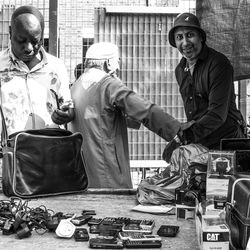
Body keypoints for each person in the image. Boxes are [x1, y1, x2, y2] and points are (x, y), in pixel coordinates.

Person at [69, 42, 182, 189]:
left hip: (83, 175)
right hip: (109, 174)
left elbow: (106, 117)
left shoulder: (76, 86)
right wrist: (177, 131)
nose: (119, 68)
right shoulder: (108, 85)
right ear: (108, 63)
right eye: (117, 62)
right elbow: (144, 110)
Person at [167, 12, 247, 151]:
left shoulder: (218, 64)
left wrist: (185, 137)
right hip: (201, 143)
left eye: (190, 35)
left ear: (201, 38)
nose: (185, 43)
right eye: (179, 37)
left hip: (227, 141)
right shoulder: (180, 70)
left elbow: (217, 115)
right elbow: (193, 112)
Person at [0, 5, 74, 137]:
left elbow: (68, 107)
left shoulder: (56, 66)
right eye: (21, 40)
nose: (28, 48)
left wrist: (66, 114)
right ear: (11, 33)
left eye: (35, 41)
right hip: (10, 152)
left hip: (49, 149)